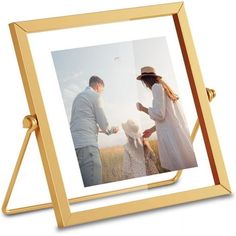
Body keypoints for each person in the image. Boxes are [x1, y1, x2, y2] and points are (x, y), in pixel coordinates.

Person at [136, 66, 197, 171]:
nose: (145, 85)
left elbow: (159, 114)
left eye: (143, 81)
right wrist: (151, 130)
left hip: (171, 137)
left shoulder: (156, 87)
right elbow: (167, 118)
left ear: (146, 80)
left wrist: (142, 108)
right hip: (176, 134)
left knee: (180, 166)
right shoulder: (163, 88)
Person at [70, 76, 119, 187]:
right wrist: (112, 130)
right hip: (88, 147)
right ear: (98, 86)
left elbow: (80, 122)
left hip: (74, 146)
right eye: (102, 90)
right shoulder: (95, 96)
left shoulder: (78, 98)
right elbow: (104, 125)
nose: (102, 93)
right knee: (93, 188)